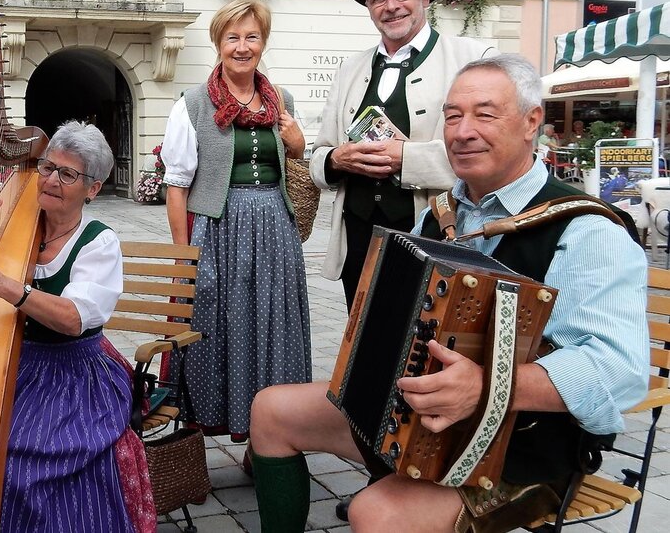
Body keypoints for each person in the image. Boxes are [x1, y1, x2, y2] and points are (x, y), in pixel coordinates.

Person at [249, 54, 648, 532]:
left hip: (524, 443)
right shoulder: (441, 214)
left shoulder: (585, 229)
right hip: (420, 412)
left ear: (531, 122)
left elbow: (618, 369)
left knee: (374, 513)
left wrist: (488, 387)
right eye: (453, 116)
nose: (462, 131)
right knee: (272, 410)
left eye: (485, 113)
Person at [0, 120, 155, 533]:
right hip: (10, 360)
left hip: (73, 373)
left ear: (92, 189)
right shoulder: (12, 217)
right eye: (47, 167)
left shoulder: (98, 242)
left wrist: (3, 283)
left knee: (23, 462)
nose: (51, 180)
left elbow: (73, 319)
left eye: (68, 174)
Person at [310, 0, 496, 308]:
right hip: (359, 237)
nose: (390, 6)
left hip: (435, 235)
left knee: (424, 347)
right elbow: (319, 155)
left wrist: (405, 159)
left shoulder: (472, 59)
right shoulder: (350, 69)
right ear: (368, 6)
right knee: (364, 344)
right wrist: (336, 161)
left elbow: (487, 153)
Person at [160, 0, 312, 440]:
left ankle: (269, 438)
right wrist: (183, 257)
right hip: (220, 230)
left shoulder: (279, 100)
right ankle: (210, 427)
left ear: (263, 43)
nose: (242, 46)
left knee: (274, 327)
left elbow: (297, 163)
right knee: (217, 328)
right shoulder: (193, 103)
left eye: (252, 37)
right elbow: (176, 185)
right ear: (218, 44)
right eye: (233, 38)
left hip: (275, 231)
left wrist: (298, 143)